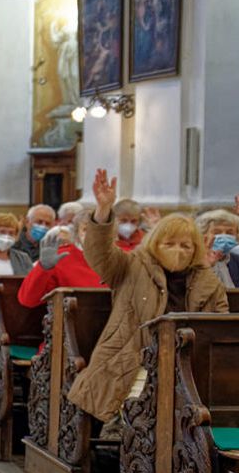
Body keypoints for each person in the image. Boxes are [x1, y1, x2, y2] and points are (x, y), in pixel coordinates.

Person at [68, 170, 227, 423]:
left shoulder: (208, 281)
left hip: (189, 365)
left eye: (186, 246)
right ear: (155, 244)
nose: (178, 251)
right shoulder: (132, 266)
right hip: (131, 360)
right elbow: (100, 255)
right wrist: (104, 210)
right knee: (141, 413)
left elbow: (220, 327)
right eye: (170, 244)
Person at [17, 220, 103, 308]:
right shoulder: (60, 258)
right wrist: (43, 267)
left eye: (100, 228)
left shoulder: (117, 256)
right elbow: (27, 300)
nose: (92, 233)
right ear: (77, 233)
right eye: (86, 229)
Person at [196, 209, 239, 288]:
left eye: (229, 233)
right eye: (217, 232)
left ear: (237, 235)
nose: (224, 236)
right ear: (203, 234)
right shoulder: (195, 262)